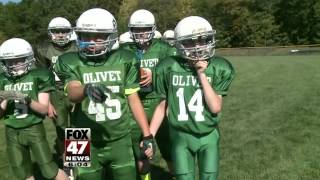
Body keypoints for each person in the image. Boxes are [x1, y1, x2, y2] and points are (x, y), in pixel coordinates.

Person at [54, 8, 155, 180]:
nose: (91, 42)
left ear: (111, 36)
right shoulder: (68, 60)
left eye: (98, 36)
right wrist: (86, 89)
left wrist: (147, 134)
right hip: (79, 135)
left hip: (119, 134)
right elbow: (72, 91)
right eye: (85, 36)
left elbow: (133, 98)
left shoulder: (125, 58)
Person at [150, 16, 235, 180]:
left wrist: (201, 74)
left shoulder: (218, 68)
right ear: (180, 44)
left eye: (203, 40)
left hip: (208, 134)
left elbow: (215, 107)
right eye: (190, 42)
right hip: (181, 136)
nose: (198, 47)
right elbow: (162, 106)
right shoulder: (168, 67)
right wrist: (149, 135)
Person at [0, 38, 68, 180]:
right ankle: (71, 165)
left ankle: (73, 167)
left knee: (70, 131)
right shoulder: (4, 80)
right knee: (21, 171)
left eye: (63, 30)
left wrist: (25, 98)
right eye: (9, 61)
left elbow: (42, 108)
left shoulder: (39, 75)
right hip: (14, 128)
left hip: (65, 100)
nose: (60, 35)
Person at [121, 9, 176, 180]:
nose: (141, 33)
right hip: (135, 104)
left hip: (161, 103)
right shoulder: (124, 50)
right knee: (140, 153)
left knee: (170, 150)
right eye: (137, 30)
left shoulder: (165, 49)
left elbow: (176, 72)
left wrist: (155, 74)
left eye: (145, 29)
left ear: (152, 29)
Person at [34, 17, 77, 172]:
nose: (60, 34)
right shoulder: (43, 50)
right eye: (56, 31)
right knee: (61, 129)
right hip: (55, 92)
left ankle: (78, 162)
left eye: (64, 31)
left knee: (78, 127)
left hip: (74, 89)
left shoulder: (77, 47)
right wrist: (48, 103)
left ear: (70, 32)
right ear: (50, 33)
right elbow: (41, 78)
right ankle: (67, 163)